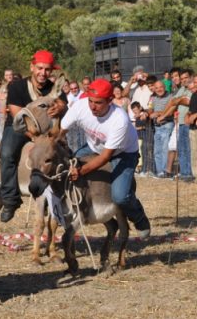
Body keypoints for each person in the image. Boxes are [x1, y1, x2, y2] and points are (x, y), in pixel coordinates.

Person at [63, 78, 151, 239]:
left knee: (120, 196)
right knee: (65, 167)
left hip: (122, 153)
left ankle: (139, 217)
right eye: (90, 101)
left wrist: (81, 171)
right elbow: (61, 131)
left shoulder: (119, 120)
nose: (92, 106)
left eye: (98, 102)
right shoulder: (80, 106)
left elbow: (105, 157)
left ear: (110, 101)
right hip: (93, 146)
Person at [0, 50, 67, 223]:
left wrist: (61, 108)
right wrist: (34, 137)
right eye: (39, 68)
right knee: (7, 153)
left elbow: (64, 104)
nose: (43, 73)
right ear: (32, 67)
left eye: (47, 69)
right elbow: (16, 114)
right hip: (19, 128)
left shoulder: (54, 88)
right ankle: (10, 199)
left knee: (64, 153)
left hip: (45, 133)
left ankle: (59, 192)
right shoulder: (17, 86)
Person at [147, 79, 174, 178]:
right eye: (157, 88)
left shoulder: (170, 96)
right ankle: (159, 172)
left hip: (167, 124)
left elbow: (170, 111)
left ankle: (164, 171)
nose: (159, 89)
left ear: (164, 87)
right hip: (156, 127)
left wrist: (158, 113)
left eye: (161, 87)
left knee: (164, 149)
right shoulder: (152, 97)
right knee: (157, 150)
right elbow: (150, 109)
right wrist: (150, 113)